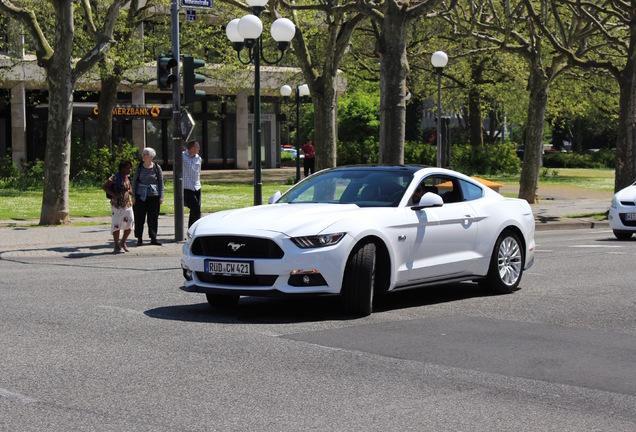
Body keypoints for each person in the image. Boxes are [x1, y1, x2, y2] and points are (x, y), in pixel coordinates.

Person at [132, 147, 164, 246]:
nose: (143, 155)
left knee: (153, 217)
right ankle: (139, 238)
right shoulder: (139, 167)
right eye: (143, 153)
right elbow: (134, 182)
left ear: (150, 156)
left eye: (145, 154)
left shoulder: (157, 167)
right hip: (140, 195)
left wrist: (161, 196)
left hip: (153, 196)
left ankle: (153, 238)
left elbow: (160, 182)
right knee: (139, 217)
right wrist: (133, 196)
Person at [102, 160, 134, 253]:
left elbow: (130, 187)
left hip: (127, 204)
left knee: (130, 222)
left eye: (130, 167)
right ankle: (116, 245)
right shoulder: (115, 177)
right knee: (116, 224)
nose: (130, 169)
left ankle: (123, 241)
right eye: (128, 168)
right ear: (122, 168)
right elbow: (104, 186)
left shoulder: (127, 177)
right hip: (116, 205)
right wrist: (113, 194)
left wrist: (130, 191)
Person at [183, 140, 202, 228]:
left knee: (194, 210)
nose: (199, 149)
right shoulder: (182, 156)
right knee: (196, 210)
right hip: (187, 187)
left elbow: (198, 172)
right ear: (192, 148)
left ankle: (191, 230)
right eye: (197, 147)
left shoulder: (198, 158)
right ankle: (199, 227)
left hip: (197, 187)